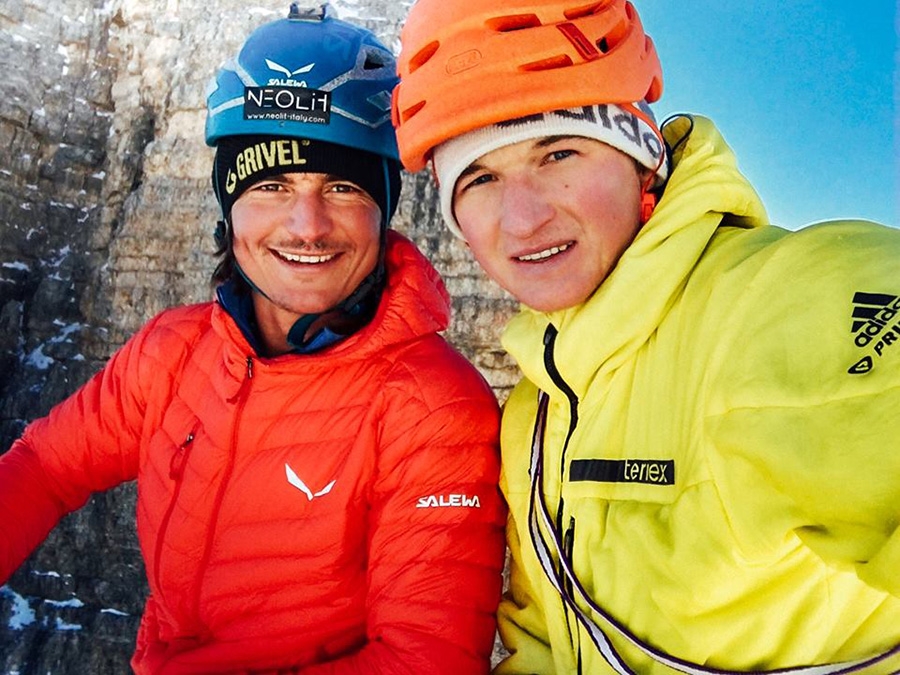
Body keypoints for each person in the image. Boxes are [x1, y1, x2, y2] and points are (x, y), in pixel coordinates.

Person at [391, 0, 900, 672]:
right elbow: (544, 642)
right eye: (481, 178)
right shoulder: (533, 414)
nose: (522, 218)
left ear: (644, 160)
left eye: (558, 152)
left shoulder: (791, 301)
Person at [0, 4, 507, 673]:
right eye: (271, 183)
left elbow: (422, 661)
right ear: (229, 204)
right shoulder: (173, 353)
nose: (307, 224)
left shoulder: (432, 408)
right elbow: (45, 466)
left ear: (383, 211)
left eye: (344, 186)